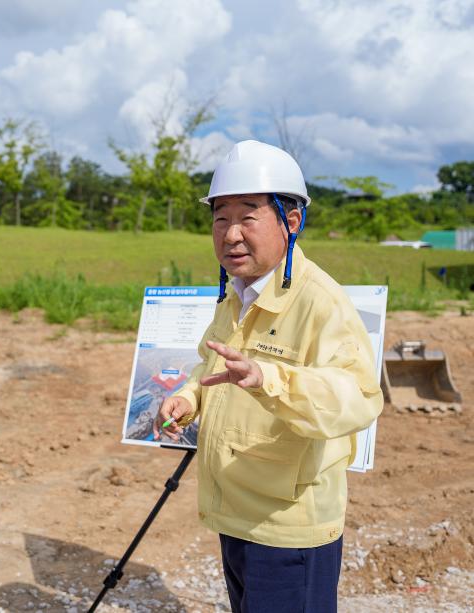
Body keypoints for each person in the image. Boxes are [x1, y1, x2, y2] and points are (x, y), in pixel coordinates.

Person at [154, 140, 383, 612]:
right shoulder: (236, 293)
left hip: (288, 525)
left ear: (291, 221)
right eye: (220, 218)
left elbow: (358, 396)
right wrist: (190, 395)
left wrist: (269, 378)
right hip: (236, 511)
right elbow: (212, 365)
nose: (230, 234)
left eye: (247, 216)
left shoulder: (322, 301)